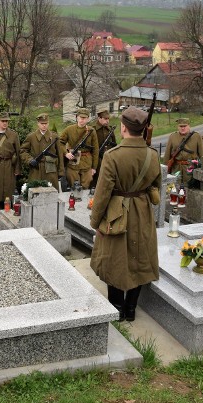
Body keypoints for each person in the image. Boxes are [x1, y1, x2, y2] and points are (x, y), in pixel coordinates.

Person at [90, 107, 161, 322]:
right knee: (139, 257)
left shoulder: (113, 156)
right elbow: (156, 185)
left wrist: (95, 220)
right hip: (142, 210)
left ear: (123, 127)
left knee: (115, 258)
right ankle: (131, 309)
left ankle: (117, 309)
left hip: (116, 213)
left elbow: (102, 193)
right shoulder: (153, 155)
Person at [20, 113, 65, 191]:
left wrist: (61, 171)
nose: (44, 125)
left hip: (51, 170)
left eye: (46, 123)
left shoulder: (54, 137)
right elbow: (22, 151)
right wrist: (30, 160)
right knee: (35, 193)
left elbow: (60, 154)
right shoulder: (31, 137)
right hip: (36, 170)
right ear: (38, 124)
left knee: (51, 193)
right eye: (42, 123)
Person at [61, 108, 99, 190]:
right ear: (76, 117)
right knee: (74, 187)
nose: (82, 120)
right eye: (81, 117)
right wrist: (66, 153)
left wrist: (94, 167)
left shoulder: (91, 131)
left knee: (86, 187)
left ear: (88, 119)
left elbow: (96, 150)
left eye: (84, 118)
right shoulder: (69, 129)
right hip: (73, 163)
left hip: (87, 164)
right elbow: (60, 142)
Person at [163, 118, 203, 184]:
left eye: (184, 126)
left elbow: (202, 154)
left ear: (189, 126)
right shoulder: (172, 136)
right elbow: (167, 155)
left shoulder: (196, 136)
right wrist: (165, 170)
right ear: (178, 127)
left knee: (190, 189)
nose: (183, 128)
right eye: (181, 126)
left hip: (191, 169)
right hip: (176, 168)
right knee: (175, 190)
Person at [92, 109, 117, 187]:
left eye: (108, 119)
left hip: (108, 158)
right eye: (105, 119)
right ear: (99, 118)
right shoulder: (93, 129)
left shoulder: (110, 129)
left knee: (108, 177)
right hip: (97, 159)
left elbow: (114, 144)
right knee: (96, 178)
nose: (107, 121)